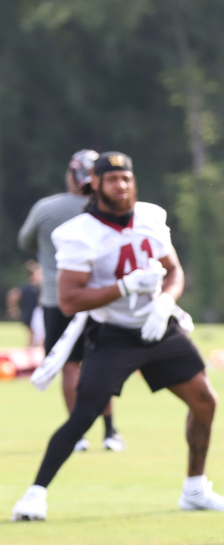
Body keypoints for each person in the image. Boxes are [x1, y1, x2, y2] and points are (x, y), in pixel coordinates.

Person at [10, 152, 224, 522]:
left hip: (157, 326)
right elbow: (70, 300)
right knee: (84, 414)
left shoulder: (151, 217)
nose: (122, 185)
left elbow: (174, 272)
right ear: (95, 185)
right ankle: (34, 494)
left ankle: (196, 489)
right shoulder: (78, 232)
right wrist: (124, 287)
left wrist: (165, 301)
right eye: (112, 179)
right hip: (113, 334)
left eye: (127, 178)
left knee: (204, 400)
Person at [18, 150, 124, 452]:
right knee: (100, 364)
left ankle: (77, 435)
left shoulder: (46, 208)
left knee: (70, 366)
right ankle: (110, 432)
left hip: (57, 298)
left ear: (71, 176)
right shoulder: (111, 209)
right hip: (100, 297)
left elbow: (25, 242)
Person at [5, 261, 44, 346]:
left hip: (34, 314)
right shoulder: (29, 287)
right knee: (34, 336)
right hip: (31, 313)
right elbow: (13, 295)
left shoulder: (36, 286)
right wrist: (13, 309)